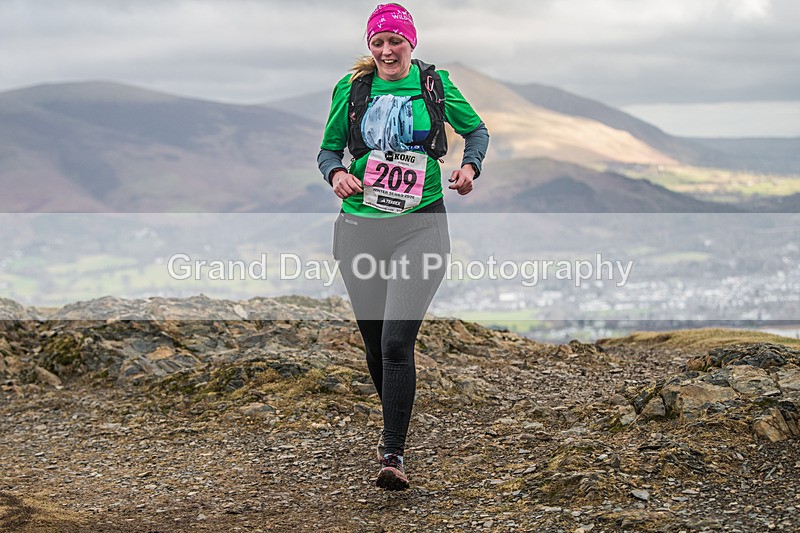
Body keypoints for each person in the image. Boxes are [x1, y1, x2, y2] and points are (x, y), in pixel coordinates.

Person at [317, 3, 489, 491]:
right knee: (375, 344)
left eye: (396, 41)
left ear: (411, 43)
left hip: (421, 226)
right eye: (378, 42)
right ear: (370, 46)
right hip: (360, 229)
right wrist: (337, 174)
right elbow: (329, 149)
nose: (387, 50)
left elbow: (476, 130)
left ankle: (392, 451)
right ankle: (394, 416)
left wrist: (469, 167)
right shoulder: (353, 89)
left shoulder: (434, 85)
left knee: (396, 342)